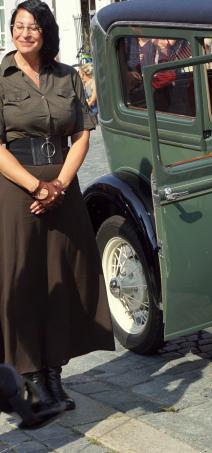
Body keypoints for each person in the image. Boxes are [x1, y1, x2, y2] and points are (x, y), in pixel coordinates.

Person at [0, 0, 114, 413]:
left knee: (64, 280)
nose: (25, 33)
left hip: (62, 190)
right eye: (18, 25)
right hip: (16, 193)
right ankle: (29, 380)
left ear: (46, 32)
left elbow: (83, 131)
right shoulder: (0, 79)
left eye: (33, 26)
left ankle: (54, 375)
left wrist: (60, 185)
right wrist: (36, 187)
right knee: (24, 282)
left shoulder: (66, 76)